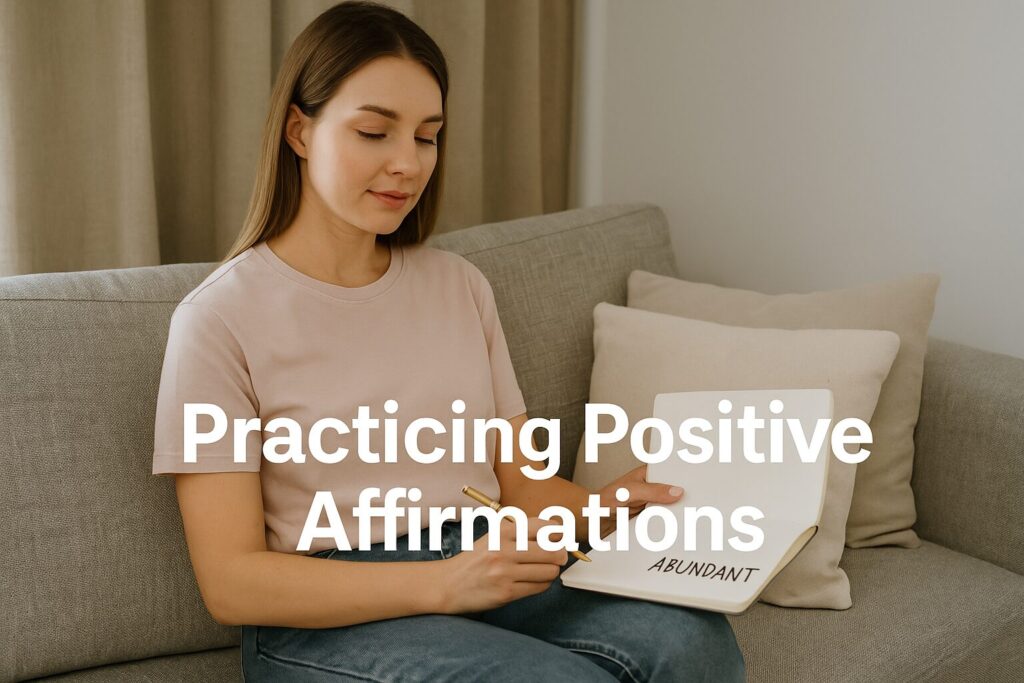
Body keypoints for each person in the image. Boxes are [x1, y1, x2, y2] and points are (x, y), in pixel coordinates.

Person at [151, 2, 746, 681]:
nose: (407, 163)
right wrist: (444, 581)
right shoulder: (218, 319)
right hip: (327, 614)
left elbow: (522, 486)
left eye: (427, 137)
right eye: (374, 132)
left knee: (693, 639)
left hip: (485, 561)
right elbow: (231, 581)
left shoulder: (459, 286)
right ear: (299, 131)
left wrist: (610, 505)